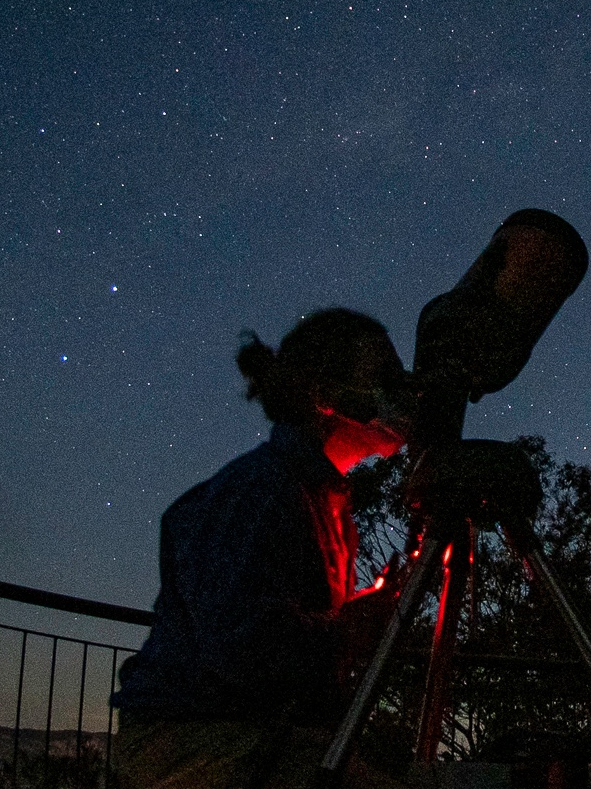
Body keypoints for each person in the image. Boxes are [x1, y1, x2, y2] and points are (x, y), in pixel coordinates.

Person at [111, 308, 415, 789]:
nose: (402, 388)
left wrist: (357, 621)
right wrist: (350, 633)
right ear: (324, 394)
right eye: (385, 373)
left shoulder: (319, 498)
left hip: (246, 730)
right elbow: (240, 645)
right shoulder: (261, 489)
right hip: (193, 741)